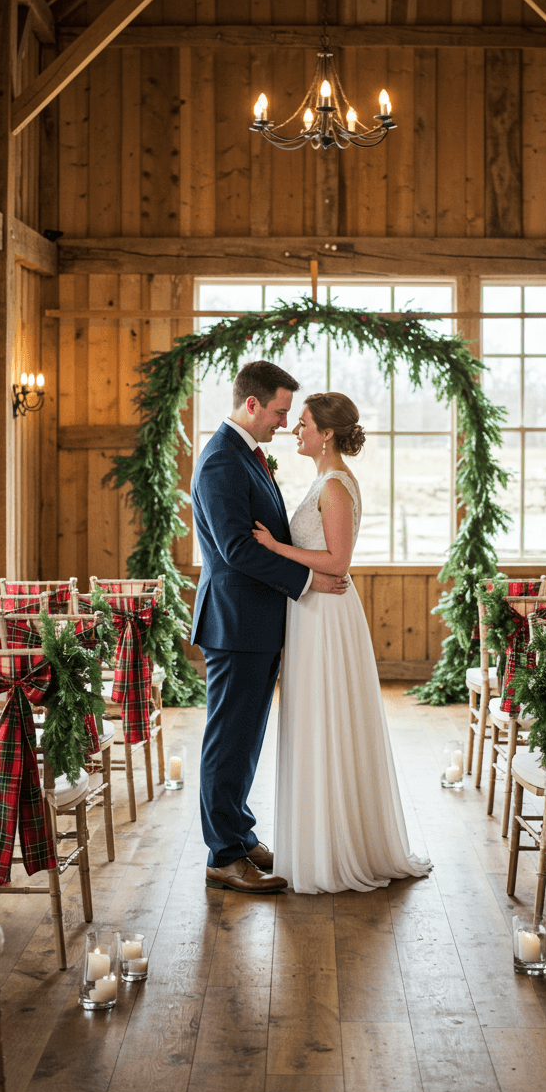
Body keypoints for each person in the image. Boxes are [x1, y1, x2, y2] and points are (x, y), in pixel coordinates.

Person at [252, 391, 432, 894]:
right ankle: (317, 840)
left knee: (326, 717)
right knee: (314, 718)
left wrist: (273, 546)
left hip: (327, 612)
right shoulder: (323, 481)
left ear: (326, 433)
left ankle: (337, 848)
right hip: (311, 608)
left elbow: (337, 562)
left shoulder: (334, 485)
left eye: (303, 422)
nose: (296, 429)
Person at [190, 361, 350, 895]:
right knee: (228, 740)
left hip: (257, 623)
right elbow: (236, 549)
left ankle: (238, 832)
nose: (285, 422)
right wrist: (306, 580)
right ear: (252, 405)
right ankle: (224, 855)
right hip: (236, 623)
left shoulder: (246, 456)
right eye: (281, 411)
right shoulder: (220, 462)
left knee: (246, 737)